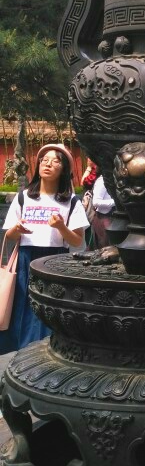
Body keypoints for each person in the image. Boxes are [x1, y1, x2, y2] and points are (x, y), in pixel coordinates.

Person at [1, 144, 88, 352]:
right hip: (25, 260)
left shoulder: (71, 202)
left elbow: (77, 241)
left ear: (64, 169)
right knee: (21, 307)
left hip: (54, 262)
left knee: (48, 310)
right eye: (44, 160)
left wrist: (61, 227)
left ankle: (44, 352)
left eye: (55, 161)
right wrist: (17, 229)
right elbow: (9, 236)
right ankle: (18, 352)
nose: (48, 164)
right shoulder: (23, 197)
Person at [90, 173, 116, 249]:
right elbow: (96, 202)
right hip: (104, 217)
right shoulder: (102, 181)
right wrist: (115, 202)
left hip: (113, 218)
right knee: (105, 247)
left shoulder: (114, 179)